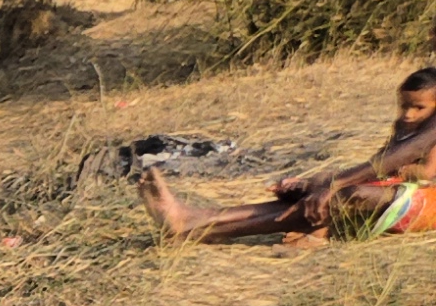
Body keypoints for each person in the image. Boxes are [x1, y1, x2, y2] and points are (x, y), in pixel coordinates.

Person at [141, 68, 436, 242]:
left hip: (426, 200)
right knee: (317, 186)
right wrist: (319, 184)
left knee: (345, 195)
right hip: (399, 189)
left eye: (417, 109)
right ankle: (196, 219)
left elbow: (400, 162)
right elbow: (384, 160)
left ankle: (195, 227)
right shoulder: (408, 117)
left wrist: (333, 186)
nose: (408, 114)